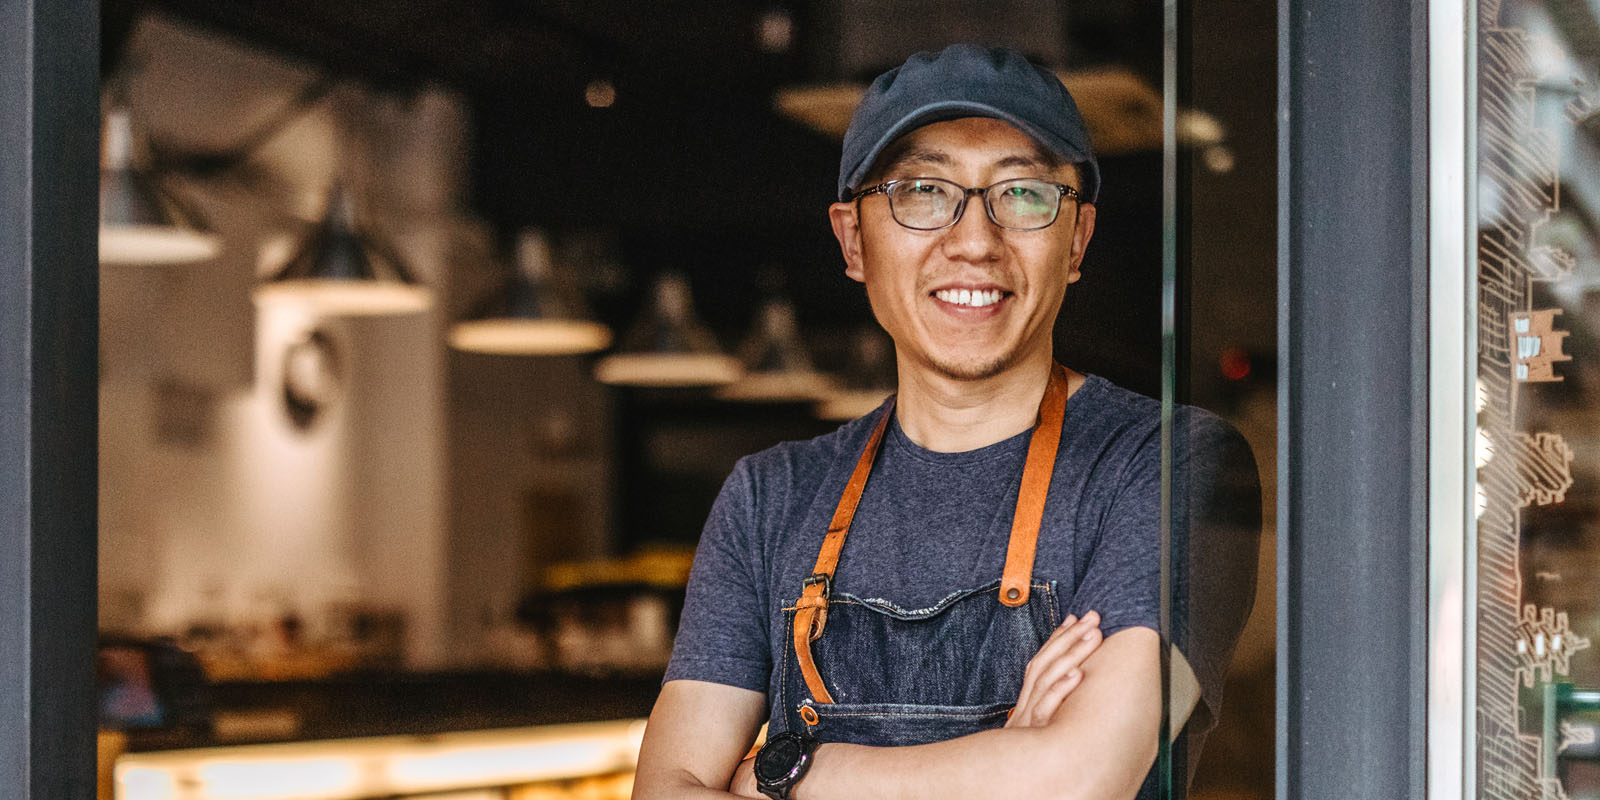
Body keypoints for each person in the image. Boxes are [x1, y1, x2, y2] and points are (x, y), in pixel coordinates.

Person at [632, 44, 1260, 800]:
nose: (973, 241)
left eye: (1024, 194)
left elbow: (1080, 778)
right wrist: (1009, 759)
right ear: (854, 240)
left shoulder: (1169, 465)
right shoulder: (769, 499)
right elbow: (664, 791)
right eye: (923, 192)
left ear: (1078, 241)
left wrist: (791, 773)